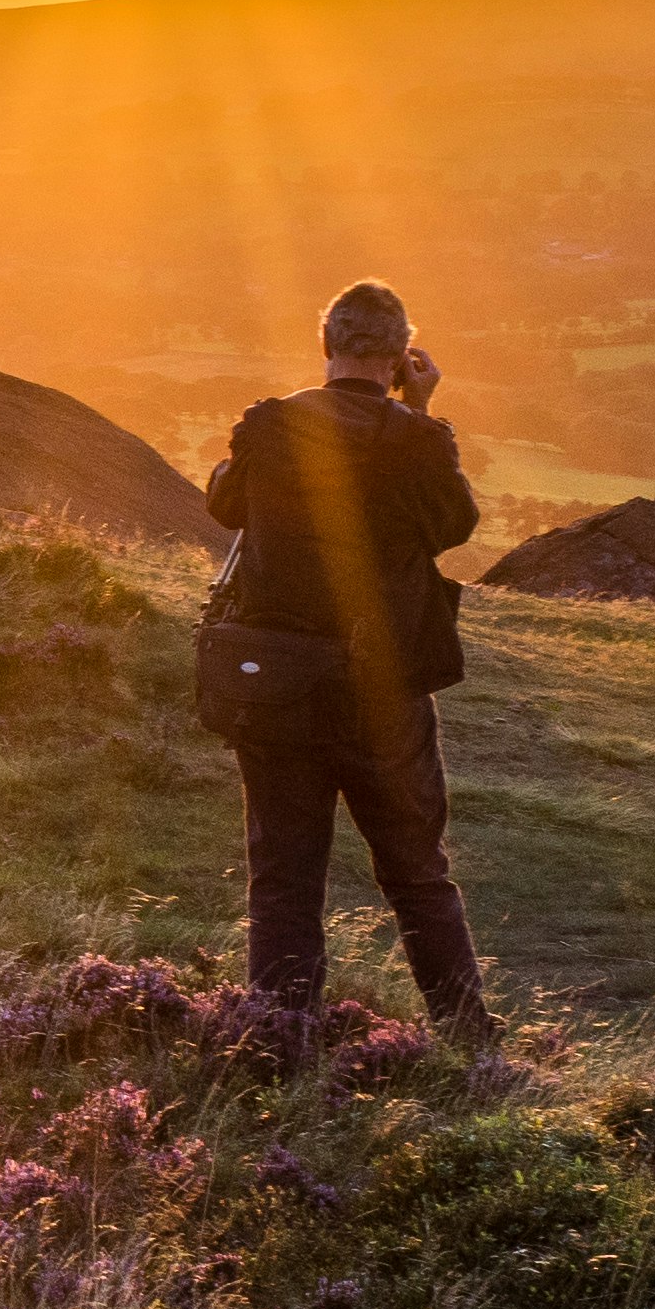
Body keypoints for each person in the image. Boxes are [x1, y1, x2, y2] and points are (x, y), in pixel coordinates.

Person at [202, 279, 490, 1034]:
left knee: (284, 882)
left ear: (326, 344)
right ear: (400, 356)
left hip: (275, 685)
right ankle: (468, 1042)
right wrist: (420, 411)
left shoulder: (267, 426)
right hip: (382, 688)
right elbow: (453, 524)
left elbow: (225, 505)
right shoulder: (415, 439)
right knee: (419, 876)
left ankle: (278, 1041)